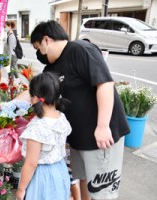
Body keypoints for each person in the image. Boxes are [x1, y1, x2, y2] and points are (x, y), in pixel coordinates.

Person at [28, 20, 130, 200]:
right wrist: (9, 106)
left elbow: (105, 84)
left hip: (101, 137)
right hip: (78, 140)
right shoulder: (52, 67)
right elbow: (36, 89)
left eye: (38, 48)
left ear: (46, 40)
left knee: (101, 190)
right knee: (84, 179)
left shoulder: (81, 50)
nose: (39, 54)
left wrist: (103, 126)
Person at [16, 72, 72, 200]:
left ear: (35, 98)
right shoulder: (61, 117)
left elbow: (31, 163)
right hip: (60, 170)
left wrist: (21, 189)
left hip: (42, 177)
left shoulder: (37, 128)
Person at [3, 20, 19, 86]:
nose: (4, 28)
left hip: (11, 56)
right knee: (9, 71)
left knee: (13, 70)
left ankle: (19, 83)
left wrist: (9, 59)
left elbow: (11, 49)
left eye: (5, 26)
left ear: (9, 26)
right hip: (6, 55)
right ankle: (11, 85)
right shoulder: (8, 34)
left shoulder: (11, 35)